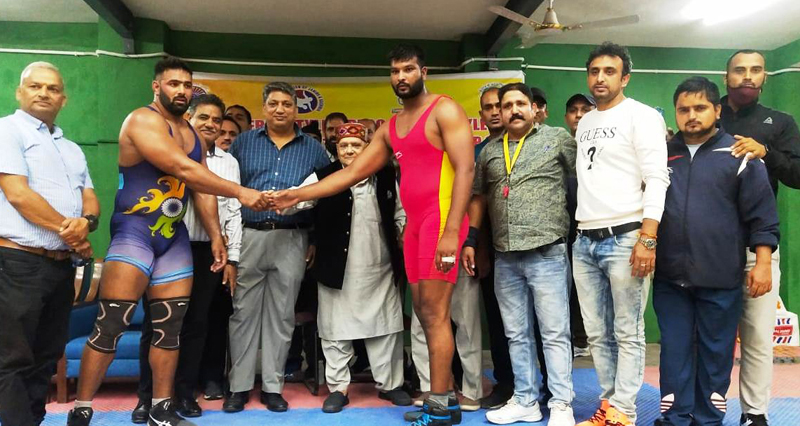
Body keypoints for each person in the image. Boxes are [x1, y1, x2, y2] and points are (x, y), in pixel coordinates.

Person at [268, 43, 474, 426]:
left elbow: (466, 170)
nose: (401, 77)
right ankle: (441, 401)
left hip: (439, 220)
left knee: (434, 313)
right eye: (395, 71)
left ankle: (442, 406)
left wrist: (450, 233)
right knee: (426, 315)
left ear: (423, 72)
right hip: (415, 225)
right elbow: (348, 175)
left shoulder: (444, 109)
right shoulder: (391, 128)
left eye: (408, 69)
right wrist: (294, 194)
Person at [66, 57, 267, 426]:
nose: (182, 91)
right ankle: (82, 408)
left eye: (187, 85)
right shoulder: (142, 120)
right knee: (111, 323)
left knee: (170, 327)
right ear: (157, 87)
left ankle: (161, 408)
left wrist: (217, 235)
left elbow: (201, 185)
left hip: (173, 240)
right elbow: (182, 169)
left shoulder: (191, 134)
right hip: (134, 234)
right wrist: (242, 192)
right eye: (174, 84)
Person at [653, 76, 779, 426]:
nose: (691, 115)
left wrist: (763, 263)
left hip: (721, 275)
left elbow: (763, 216)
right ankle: (675, 416)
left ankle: (708, 418)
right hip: (669, 277)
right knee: (675, 350)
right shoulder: (663, 155)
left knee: (716, 352)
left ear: (716, 109)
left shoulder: (740, 154)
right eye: (684, 109)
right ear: (676, 113)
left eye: (700, 108)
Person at [464, 82, 577, 426]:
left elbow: (587, 176)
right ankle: (526, 399)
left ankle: (561, 404)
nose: (512, 110)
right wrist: (471, 239)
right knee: (516, 333)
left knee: (554, 332)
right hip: (505, 257)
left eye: (519, 104)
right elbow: (479, 198)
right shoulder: (489, 152)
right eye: (505, 105)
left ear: (533, 108)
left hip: (547, 253)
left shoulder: (557, 139)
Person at [572, 42, 669, 426]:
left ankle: (624, 411)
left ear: (624, 77)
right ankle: (609, 406)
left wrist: (648, 237)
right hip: (585, 240)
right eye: (594, 71)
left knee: (627, 331)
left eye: (609, 71)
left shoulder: (642, 116)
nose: (600, 78)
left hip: (626, 238)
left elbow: (657, 178)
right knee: (597, 334)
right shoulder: (586, 122)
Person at [283, 122, 411, 413]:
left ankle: (391, 385)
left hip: (380, 268)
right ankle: (338, 388)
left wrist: (402, 233)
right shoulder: (325, 176)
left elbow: (400, 212)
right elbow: (299, 198)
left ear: (368, 148)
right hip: (335, 268)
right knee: (334, 330)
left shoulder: (387, 174)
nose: (350, 150)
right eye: (344, 146)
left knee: (386, 328)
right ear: (336, 150)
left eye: (357, 145)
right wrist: (279, 200)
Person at [0, 62, 99, 426]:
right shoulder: (6, 131)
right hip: (17, 262)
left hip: (59, 266)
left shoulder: (71, 148)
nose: (44, 93)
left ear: (63, 98)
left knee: (46, 356)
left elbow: (90, 199)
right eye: (35, 86)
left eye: (52, 88)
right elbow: (17, 194)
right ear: (20, 92)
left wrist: (85, 223)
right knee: (13, 359)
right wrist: (68, 230)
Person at [223, 81, 330, 414]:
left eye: (287, 104)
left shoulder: (313, 149)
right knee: (243, 313)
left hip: (292, 238)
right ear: (264, 109)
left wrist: (313, 238)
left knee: (282, 316)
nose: (280, 109)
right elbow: (228, 191)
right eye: (274, 103)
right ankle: (239, 387)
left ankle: (272, 387)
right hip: (250, 235)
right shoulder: (242, 144)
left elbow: (323, 197)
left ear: (296, 109)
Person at [134, 94, 242, 420]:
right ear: (189, 119)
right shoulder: (161, 153)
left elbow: (233, 212)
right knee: (157, 326)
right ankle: (146, 397)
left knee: (196, 325)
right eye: (203, 118)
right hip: (164, 249)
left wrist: (232, 257)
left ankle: (183, 394)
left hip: (207, 251)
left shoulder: (228, 163)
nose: (210, 124)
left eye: (215, 120)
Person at [719, 49, 800, 426]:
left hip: (759, 248)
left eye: (755, 70)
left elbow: (798, 176)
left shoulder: (780, 122)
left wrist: (765, 153)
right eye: (739, 70)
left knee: (756, 339)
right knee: (707, 337)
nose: (747, 76)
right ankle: (702, 407)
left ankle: (755, 414)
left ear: (765, 76)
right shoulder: (705, 114)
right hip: (709, 246)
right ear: (726, 77)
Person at [563, 93, 596, 359]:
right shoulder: (559, 147)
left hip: (599, 232)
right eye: (574, 110)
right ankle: (575, 339)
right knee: (568, 290)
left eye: (585, 109)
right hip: (564, 234)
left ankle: (590, 339)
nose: (579, 115)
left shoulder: (605, 147)